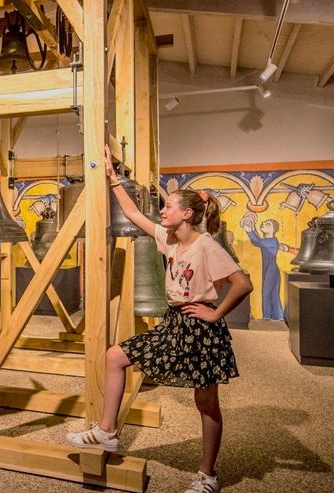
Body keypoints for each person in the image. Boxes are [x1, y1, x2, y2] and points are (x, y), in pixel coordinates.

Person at [64, 147, 252, 493]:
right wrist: (112, 177)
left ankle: (207, 476)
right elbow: (134, 213)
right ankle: (107, 433)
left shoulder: (207, 245)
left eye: (169, 206)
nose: (162, 210)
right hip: (173, 322)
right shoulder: (168, 240)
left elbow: (243, 283)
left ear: (188, 213)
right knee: (115, 356)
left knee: (206, 402)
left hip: (200, 328)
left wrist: (215, 312)